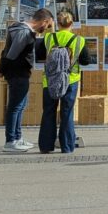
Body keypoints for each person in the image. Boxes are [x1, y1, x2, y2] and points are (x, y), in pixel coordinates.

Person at [0, 8, 54, 153]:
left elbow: (6, 52)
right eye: (48, 26)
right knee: (15, 107)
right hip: (18, 73)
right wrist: (2, 70)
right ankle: (11, 141)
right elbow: (11, 54)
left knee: (20, 106)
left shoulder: (20, 30)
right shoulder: (24, 32)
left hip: (18, 73)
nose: (46, 29)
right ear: (44, 21)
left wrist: (2, 69)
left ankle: (17, 137)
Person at [37, 11, 90, 154]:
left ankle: (46, 146)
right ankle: (67, 146)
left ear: (58, 24)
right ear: (72, 24)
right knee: (67, 112)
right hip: (70, 80)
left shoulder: (49, 37)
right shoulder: (79, 40)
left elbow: (40, 55)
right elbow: (86, 61)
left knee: (48, 111)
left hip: (49, 81)